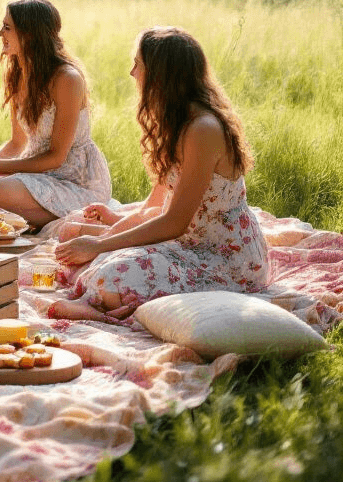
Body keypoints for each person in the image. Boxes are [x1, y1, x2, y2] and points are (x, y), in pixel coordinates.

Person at [50, 26, 270, 323]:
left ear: (161, 76)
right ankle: (109, 302)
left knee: (108, 277)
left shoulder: (203, 130)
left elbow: (174, 222)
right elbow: (154, 207)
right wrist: (112, 226)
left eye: (138, 64)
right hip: (186, 244)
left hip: (225, 259)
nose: (132, 73)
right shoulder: (175, 121)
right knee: (86, 256)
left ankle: (107, 309)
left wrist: (100, 244)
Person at [0, 0, 111, 228]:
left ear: (30, 34)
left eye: (7, 27)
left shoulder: (67, 79)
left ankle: (79, 218)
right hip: (36, 172)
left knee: (1, 191)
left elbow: (56, 157)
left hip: (74, 179)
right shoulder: (18, 74)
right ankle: (10, 217)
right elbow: (17, 143)